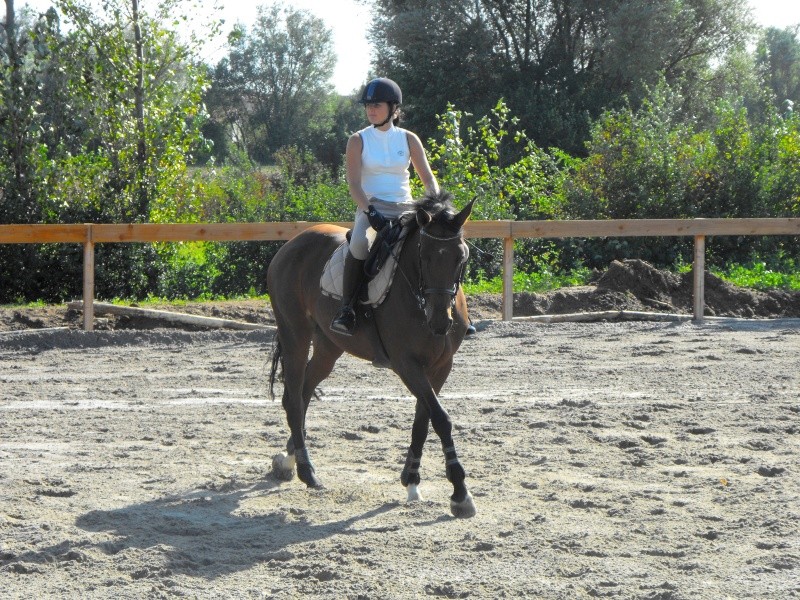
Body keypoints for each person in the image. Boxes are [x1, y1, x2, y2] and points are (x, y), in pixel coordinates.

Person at [330, 77, 440, 335]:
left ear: (393, 108)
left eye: (376, 104)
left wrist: (434, 202)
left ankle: (458, 311)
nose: (370, 109)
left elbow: (428, 178)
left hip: (408, 208)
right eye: (367, 105)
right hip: (373, 207)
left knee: (440, 245)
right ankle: (347, 309)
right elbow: (354, 185)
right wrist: (370, 211)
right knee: (358, 244)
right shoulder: (358, 140)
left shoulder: (409, 139)